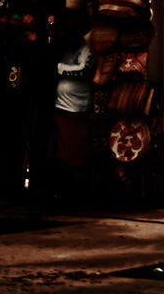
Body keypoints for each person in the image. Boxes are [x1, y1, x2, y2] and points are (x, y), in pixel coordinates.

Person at [50, 12, 93, 194]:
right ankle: (63, 186)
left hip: (76, 108)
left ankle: (74, 189)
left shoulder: (87, 49)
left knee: (74, 150)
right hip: (62, 107)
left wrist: (59, 69)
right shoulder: (69, 49)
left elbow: (85, 71)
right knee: (62, 148)